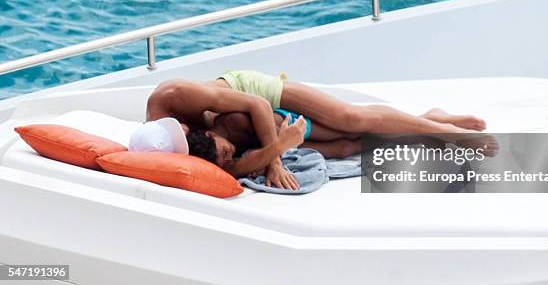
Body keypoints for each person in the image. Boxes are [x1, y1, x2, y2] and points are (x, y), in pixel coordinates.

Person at [144, 70, 494, 189]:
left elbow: (257, 105)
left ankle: (445, 130)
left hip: (253, 93)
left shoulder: (174, 96)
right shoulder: (167, 145)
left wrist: (274, 161)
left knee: (350, 118)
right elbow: (228, 165)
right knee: (348, 144)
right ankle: (432, 118)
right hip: (253, 126)